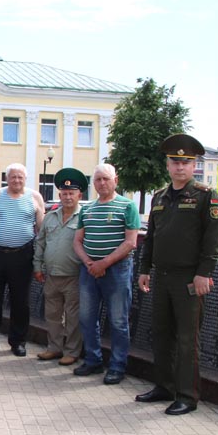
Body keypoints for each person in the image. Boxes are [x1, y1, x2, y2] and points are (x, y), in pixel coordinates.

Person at [137, 134, 218, 415]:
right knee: (161, 334)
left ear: (194, 165)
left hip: (189, 279)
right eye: (175, 161)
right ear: (167, 164)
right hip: (161, 276)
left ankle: (187, 395)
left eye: (186, 162)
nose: (180, 167)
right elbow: (151, 237)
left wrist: (204, 273)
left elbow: (214, 239)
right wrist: (144, 269)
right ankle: (164, 386)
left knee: (188, 339)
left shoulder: (205, 195)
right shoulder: (160, 197)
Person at [73, 163, 140, 385]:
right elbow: (78, 241)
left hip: (117, 270)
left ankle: (117, 366)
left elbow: (130, 242)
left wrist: (104, 263)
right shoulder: (87, 209)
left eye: (106, 179)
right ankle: (93, 359)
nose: (102, 183)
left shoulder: (127, 206)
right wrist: (89, 263)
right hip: (89, 269)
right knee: (87, 317)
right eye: (98, 180)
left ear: (115, 180)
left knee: (118, 320)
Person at [0, 163, 44, 357]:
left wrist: (40, 258)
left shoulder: (35, 197)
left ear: (25, 179)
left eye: (20, 177)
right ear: (7, 178)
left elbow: (41, 231)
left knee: (20, 301)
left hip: (23, 256)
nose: (16, 180)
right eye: (13, 177)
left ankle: (18, 341)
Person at [33, 168, 87, 366]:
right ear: (59, 195)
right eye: (64, 193)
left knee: (73, 317)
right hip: (51, 275)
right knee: (53, 315)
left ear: (79, 195)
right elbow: (40, 242)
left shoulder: (84, 216)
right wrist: (37, 266)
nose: (67, 197)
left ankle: (72, 351)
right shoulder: (50, 217)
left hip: (74, 275)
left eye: (71, 193)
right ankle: (54, 348)